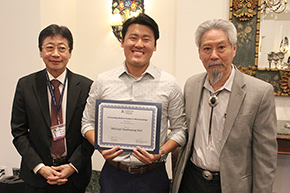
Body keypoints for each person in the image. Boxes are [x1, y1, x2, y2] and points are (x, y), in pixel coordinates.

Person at [81, 13, 187, 193]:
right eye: (133, 37)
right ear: (122, 42)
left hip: (153, 177)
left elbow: (180, 130)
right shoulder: (103, 81)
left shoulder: (169, 84)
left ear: (155, 46)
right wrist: (100, 146)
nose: (139, 44)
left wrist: (160, 152)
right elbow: (87, 123)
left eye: (146, 39)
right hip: (113, 176)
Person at [172, 19, 277, 193]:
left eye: (221, 47)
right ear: (199, 53)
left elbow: (265, 158)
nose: (214, 55)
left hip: (231, 186)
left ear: (234, 49)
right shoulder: (191, 85)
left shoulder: (260, 92)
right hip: (191, 181)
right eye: (207, 49)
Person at [11, 24, 94, 193]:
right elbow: (18, 132)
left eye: (62, 48)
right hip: (36, 178)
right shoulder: (26, 85)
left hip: (74, 177)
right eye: (49, 47)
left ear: (70, 52)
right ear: (41, 52)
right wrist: (40, 167)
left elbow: (92, 132)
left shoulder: (86, 86)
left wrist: (72, 166)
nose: (55, 54)